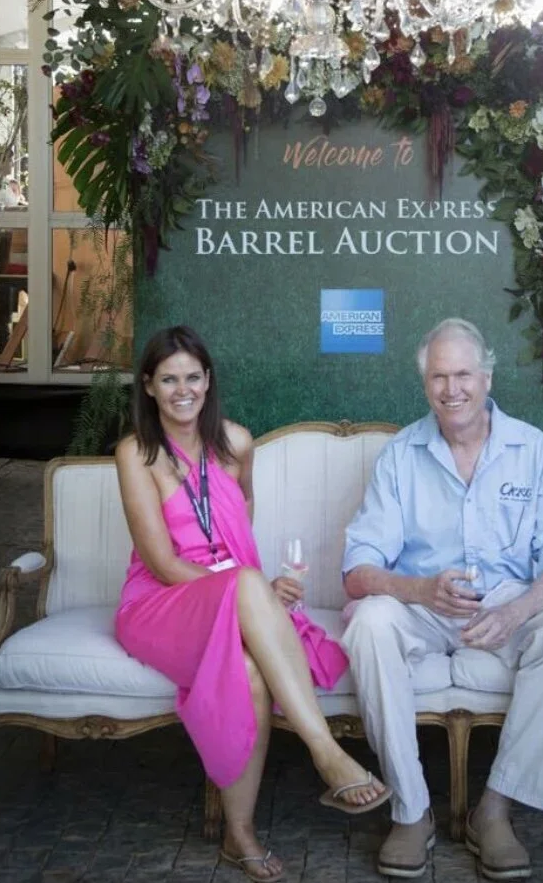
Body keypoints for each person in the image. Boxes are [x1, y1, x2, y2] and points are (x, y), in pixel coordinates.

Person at [115, 325, 390, 883]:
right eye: (168, 379)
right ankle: (325, 751)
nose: (182, 390)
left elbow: (237, 532)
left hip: (229, 591)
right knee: (244, 584)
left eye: (192, 377)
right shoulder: (136, 454)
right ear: (148, 387)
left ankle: (239, 835)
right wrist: (249, 592)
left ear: (208, 380)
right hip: (160, 604)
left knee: (249, 670)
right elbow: (164, 563)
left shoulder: (237, 444)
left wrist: (258, 595)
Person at [341, 318, 543, 881]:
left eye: (463, 374)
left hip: (507, 603)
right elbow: (358, 570)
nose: (451, 389)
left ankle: (497, 807)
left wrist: (517, 610)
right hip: (423, 604)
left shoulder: (531, 449)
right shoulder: (400, 455)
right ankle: (411, 811)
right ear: (425, 384)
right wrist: (418, 590)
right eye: (439, 376)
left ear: (486, 377)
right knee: (369, 623)